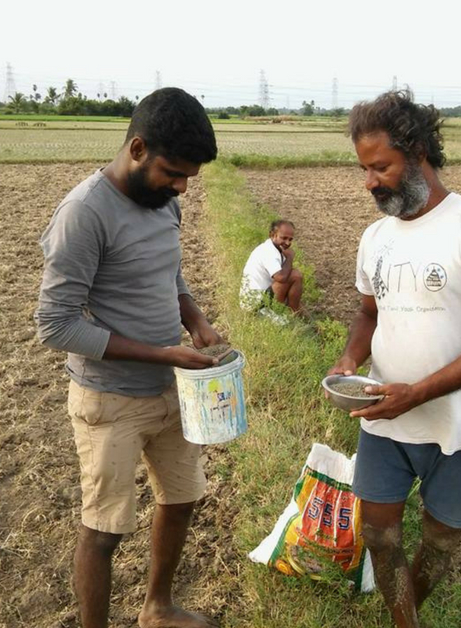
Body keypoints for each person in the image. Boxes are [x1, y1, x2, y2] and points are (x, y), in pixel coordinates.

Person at [326, 90, 461, 627]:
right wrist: (348, 361)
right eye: (364, 169)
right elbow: (369, 314)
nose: (369, 181)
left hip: (452, 426)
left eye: (380, 167)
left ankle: (405, 612)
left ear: (417, 152)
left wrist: (416, 394)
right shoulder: (375, 238)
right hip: (382, 421)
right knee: (378, 535)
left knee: (441, 544)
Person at [35, 87, 221, 628]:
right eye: (173, 172)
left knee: (182, 497)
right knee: (104, 528)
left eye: (189, 177)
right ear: (137, 148)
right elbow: (55, 324)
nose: (181, 186)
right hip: (109, 398)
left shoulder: (165, 201)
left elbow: (169, 272)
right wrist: (162, 352)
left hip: (170, 388)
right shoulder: (84, 213)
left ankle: (157, 609)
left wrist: (196, 321)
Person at [241, 219, 304, 313]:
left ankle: (295, 312)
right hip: (255, 302)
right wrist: (290, 257)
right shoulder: (268, 251)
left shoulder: (276, 249)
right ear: (272, 235)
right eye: (284, 238)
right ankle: (295, 313)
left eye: (290, 239)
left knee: (293, 275)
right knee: (294, 275)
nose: (287, 243)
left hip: (261, 296)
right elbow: (281, 277)